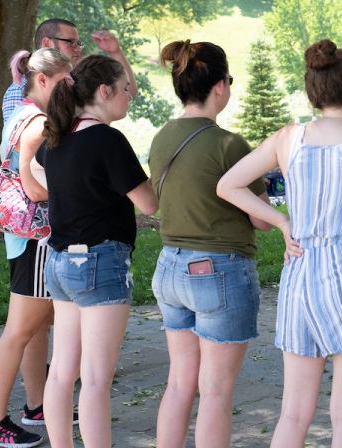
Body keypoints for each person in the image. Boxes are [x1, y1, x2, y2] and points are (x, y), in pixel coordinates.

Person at [218, 39, 342, 448]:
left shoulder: (288, 138)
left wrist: (280, 220)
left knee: (293, 413)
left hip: (301, 276)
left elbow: (228, 185)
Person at [148, 40, 274, 448]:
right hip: (219, 271)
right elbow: (261, 219)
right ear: (220, 86)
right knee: (216, 392)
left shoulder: (162, 137)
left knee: (180, 383)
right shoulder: (228, 144)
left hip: (169, 267)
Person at [32, 55, 158, 448]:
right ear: (104, 91)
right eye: (125, 91)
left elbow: (37, 172)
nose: (128, 98)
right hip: (99, 263)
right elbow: (150, 204)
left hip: (59, 261)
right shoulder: (106, 139)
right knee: (97, 378)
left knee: (62, 373)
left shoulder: (58, 136)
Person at [0, 49, 72, 448]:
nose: (72, 87)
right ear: (45, 79)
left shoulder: (22, 113)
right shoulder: (39, 123)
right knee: (19, 332)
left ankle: (36, 407)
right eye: (66, 80)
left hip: (25, 240)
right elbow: (34, 187)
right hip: (37, 240)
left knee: (31, 329)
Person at [2, 18, 137, 123]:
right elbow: (18, 148)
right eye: (70, 42)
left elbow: (127, 92)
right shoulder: (19, 89)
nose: (78, 48)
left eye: (78, 43)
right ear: (47, 43)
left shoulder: (74, 79)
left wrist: (116, 52)